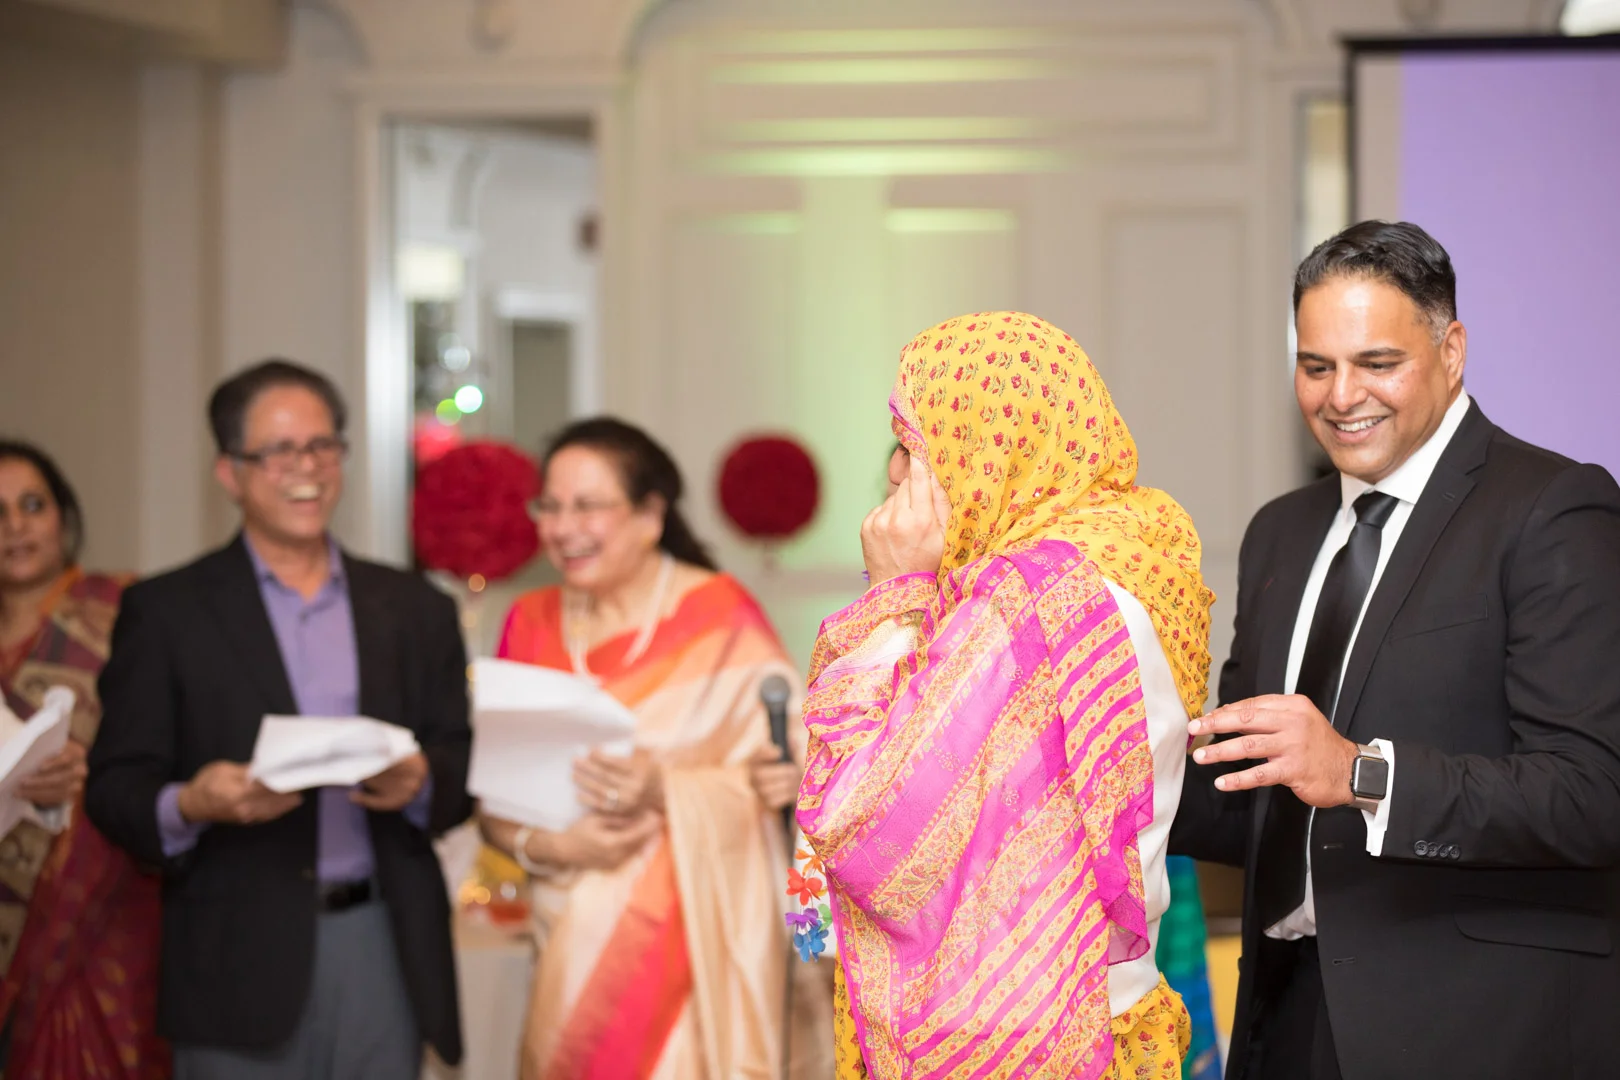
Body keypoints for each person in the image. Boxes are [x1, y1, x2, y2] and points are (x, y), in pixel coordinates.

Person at [1171, 220, 1620, 1079]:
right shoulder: (1280, 531)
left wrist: (1362, 773)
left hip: (1479, 1031)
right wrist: (1112, 765)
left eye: (1377, 363)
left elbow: (1593, 794)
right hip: (1286, 1016)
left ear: (1452, 352)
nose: (1342, 396)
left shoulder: (1553, 509)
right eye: (1316, 367)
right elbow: (1249, 793)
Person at [795, 311, 1216, 1079]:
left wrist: (890, 599)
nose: (894, 475)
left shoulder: (1022, 606)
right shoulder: (1130, 562)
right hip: (1109, 1017)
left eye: (912, 447)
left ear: (988, 452)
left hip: (1016, 1046)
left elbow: (864, 817)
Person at [84, 359, 473, 1079]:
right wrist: (191, 803)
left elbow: (461, 757)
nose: (308, 468)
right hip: (235, 956)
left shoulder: (416, 608)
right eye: (279, 451)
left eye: (323, 446)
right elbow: (114, 787)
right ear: (230, 472)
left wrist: (422, 781)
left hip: (384, 946)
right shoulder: (167, 612)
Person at [477, 417, 818, 1080]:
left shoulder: (718, 616)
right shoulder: (530, 622)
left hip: (699, 956)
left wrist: (665, 788)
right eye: (550, 506)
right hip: (567, 947)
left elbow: (805, 777)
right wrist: (555, 848)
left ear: (650, 516)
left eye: (588, 506)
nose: (563, 528)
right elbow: (493, 805)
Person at [0, 440, 166, 1078]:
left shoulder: (127, 608)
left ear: (63, 517)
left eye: (32, 505)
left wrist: (89, 774)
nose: (15, 527)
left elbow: (172, 746)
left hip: (105, 915)